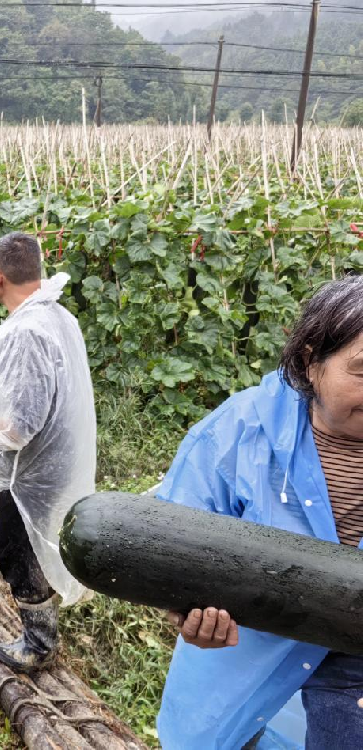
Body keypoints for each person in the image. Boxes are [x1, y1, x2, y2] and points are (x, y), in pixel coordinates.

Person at [153, 274, 363, 750]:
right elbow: (171, 553)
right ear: (312, 363)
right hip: (243, 660)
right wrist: (185, 613)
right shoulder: (236, 432)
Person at [0, 232, 96, 672]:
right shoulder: (57, 316)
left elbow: (20, 423)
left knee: (15, 549)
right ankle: (41, 635)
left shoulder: (26, 332)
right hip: (55, 460)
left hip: (32, 469)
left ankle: (39, 645)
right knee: (32, 545)